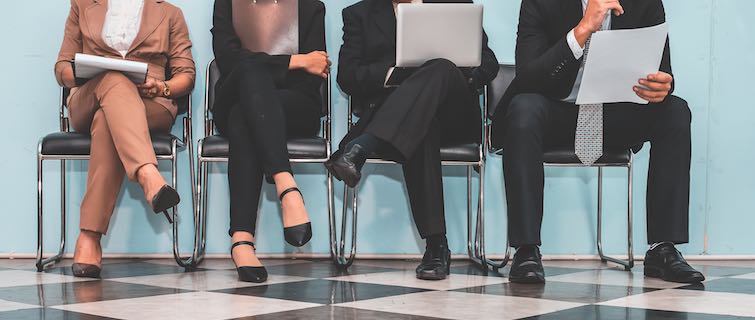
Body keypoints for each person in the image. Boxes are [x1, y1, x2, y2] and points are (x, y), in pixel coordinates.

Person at [490, 0, 704, 284]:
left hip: (614, 114)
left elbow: (662, 71)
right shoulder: (539, 2)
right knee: (524, 109)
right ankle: (526, 249)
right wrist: (582, 30)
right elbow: (528, 77)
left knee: (675, 111)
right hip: (558, 111)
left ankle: (663, 249)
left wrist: (662, 85)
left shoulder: (646, 3)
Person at [325, 0, 499, 280]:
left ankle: (362, 147)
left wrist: (451, 75)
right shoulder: (359, 13)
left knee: (440, 67)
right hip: (402, 118)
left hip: (454, 112)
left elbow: (488, 63)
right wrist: (395, 75)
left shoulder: (454, 6)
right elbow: (347, 76)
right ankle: (436, 246)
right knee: (423, 123)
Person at [54, 0, 196, 278]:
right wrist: (84, 71)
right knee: (114, 78)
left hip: (150, 100)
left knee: (108, 120)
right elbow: (61, 67)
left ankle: (89, 236)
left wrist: (163, 86)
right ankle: (147, 173)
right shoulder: (82, 5)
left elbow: (186, 76)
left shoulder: (170, 13)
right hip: (90, 94)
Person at [211, 0, 329, 283]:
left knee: (246, 114)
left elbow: (316, 72)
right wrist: (297, 60)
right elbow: (228, 60)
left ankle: (241, 240)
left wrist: (262, 66)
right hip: (235, 95)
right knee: (248, 72)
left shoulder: (311, 6)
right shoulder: (227, 2)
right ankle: (287, 186)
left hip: (295, 104)